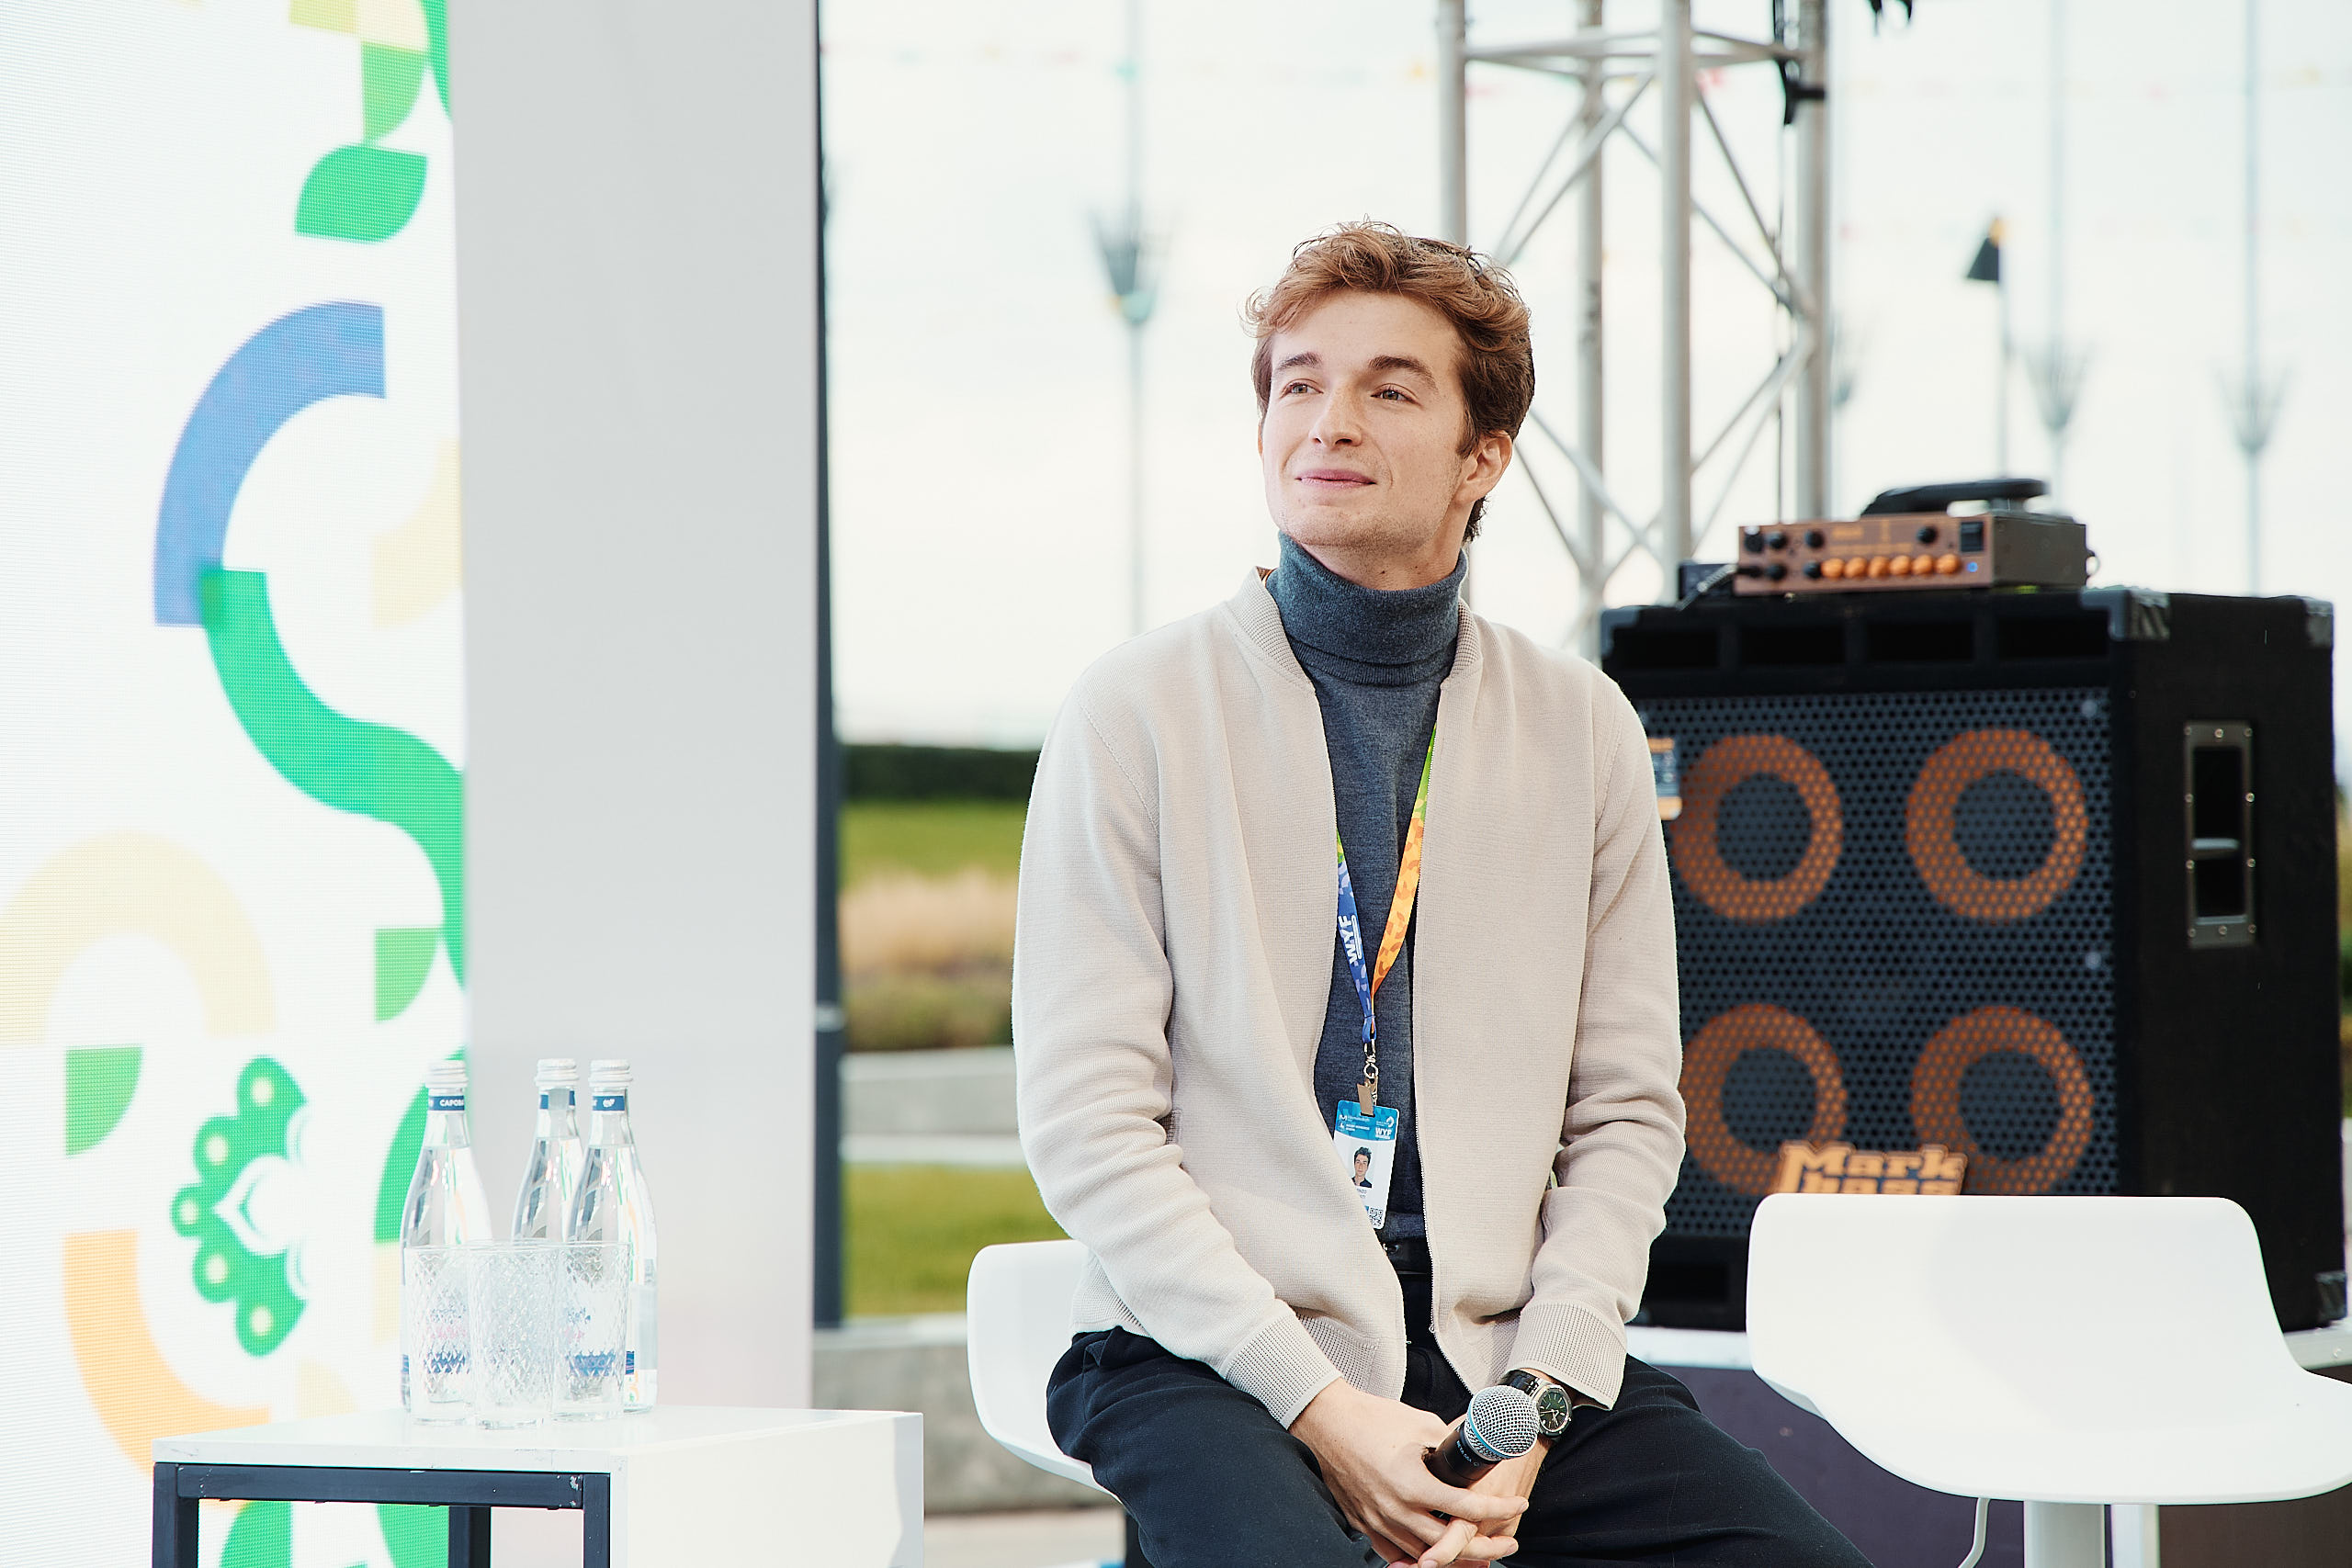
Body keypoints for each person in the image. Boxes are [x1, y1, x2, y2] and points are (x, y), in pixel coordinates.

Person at [1013, 221, 1869, 1568]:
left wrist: (1540, 1398)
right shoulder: (1136, 710)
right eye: (1298, 383)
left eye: (1389, 388)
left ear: (1485, 456)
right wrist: (1319, 1404)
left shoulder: (1582, 725)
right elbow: (1089, 1123)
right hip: (1206, 1352)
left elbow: (1626, 1111)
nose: (1327, 420)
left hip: (1501, 1358)